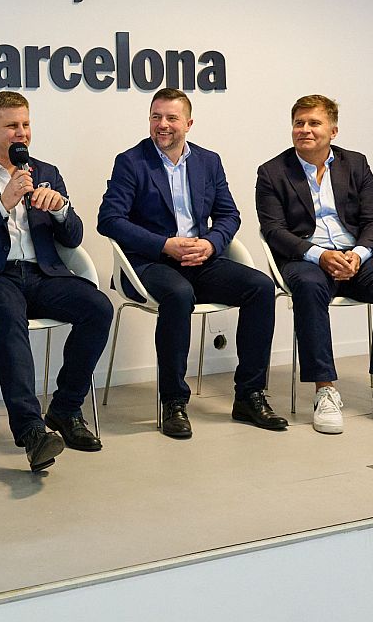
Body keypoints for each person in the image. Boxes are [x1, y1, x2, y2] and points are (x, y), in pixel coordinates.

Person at [0, 91, 112, 471]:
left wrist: (62, 209)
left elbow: (73, 238)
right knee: (8, 319)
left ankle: (65, 409)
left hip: (42, 273)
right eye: (12, 126)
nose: (22, 134)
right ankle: (32, 431)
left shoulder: (46, 172)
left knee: (98, 307)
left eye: (26, 124)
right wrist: (1, 203)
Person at [98, 88, 285, 439]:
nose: (162, 124)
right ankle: (173, 401)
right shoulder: (131, 161)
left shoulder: (208, 161)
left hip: (200, 259)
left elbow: (229, 214)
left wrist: (211, 244)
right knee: (179, 294)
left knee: (260, 287)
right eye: (156, 117)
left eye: (171, 118)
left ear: (189, 123)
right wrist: (164, 245)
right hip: (149, 263)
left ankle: (249, 395)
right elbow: (109, 220)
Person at [256, 95, 373, 435]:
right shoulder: (272, 172)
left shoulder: (356, 164)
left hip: (356, 255)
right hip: (306, 258)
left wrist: (358, 254)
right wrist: (319, 255)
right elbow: (273, 230)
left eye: (314, 123)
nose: (305, 130)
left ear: (333, 130)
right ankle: (325, 391)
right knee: (308, 287)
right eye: (299, 123)